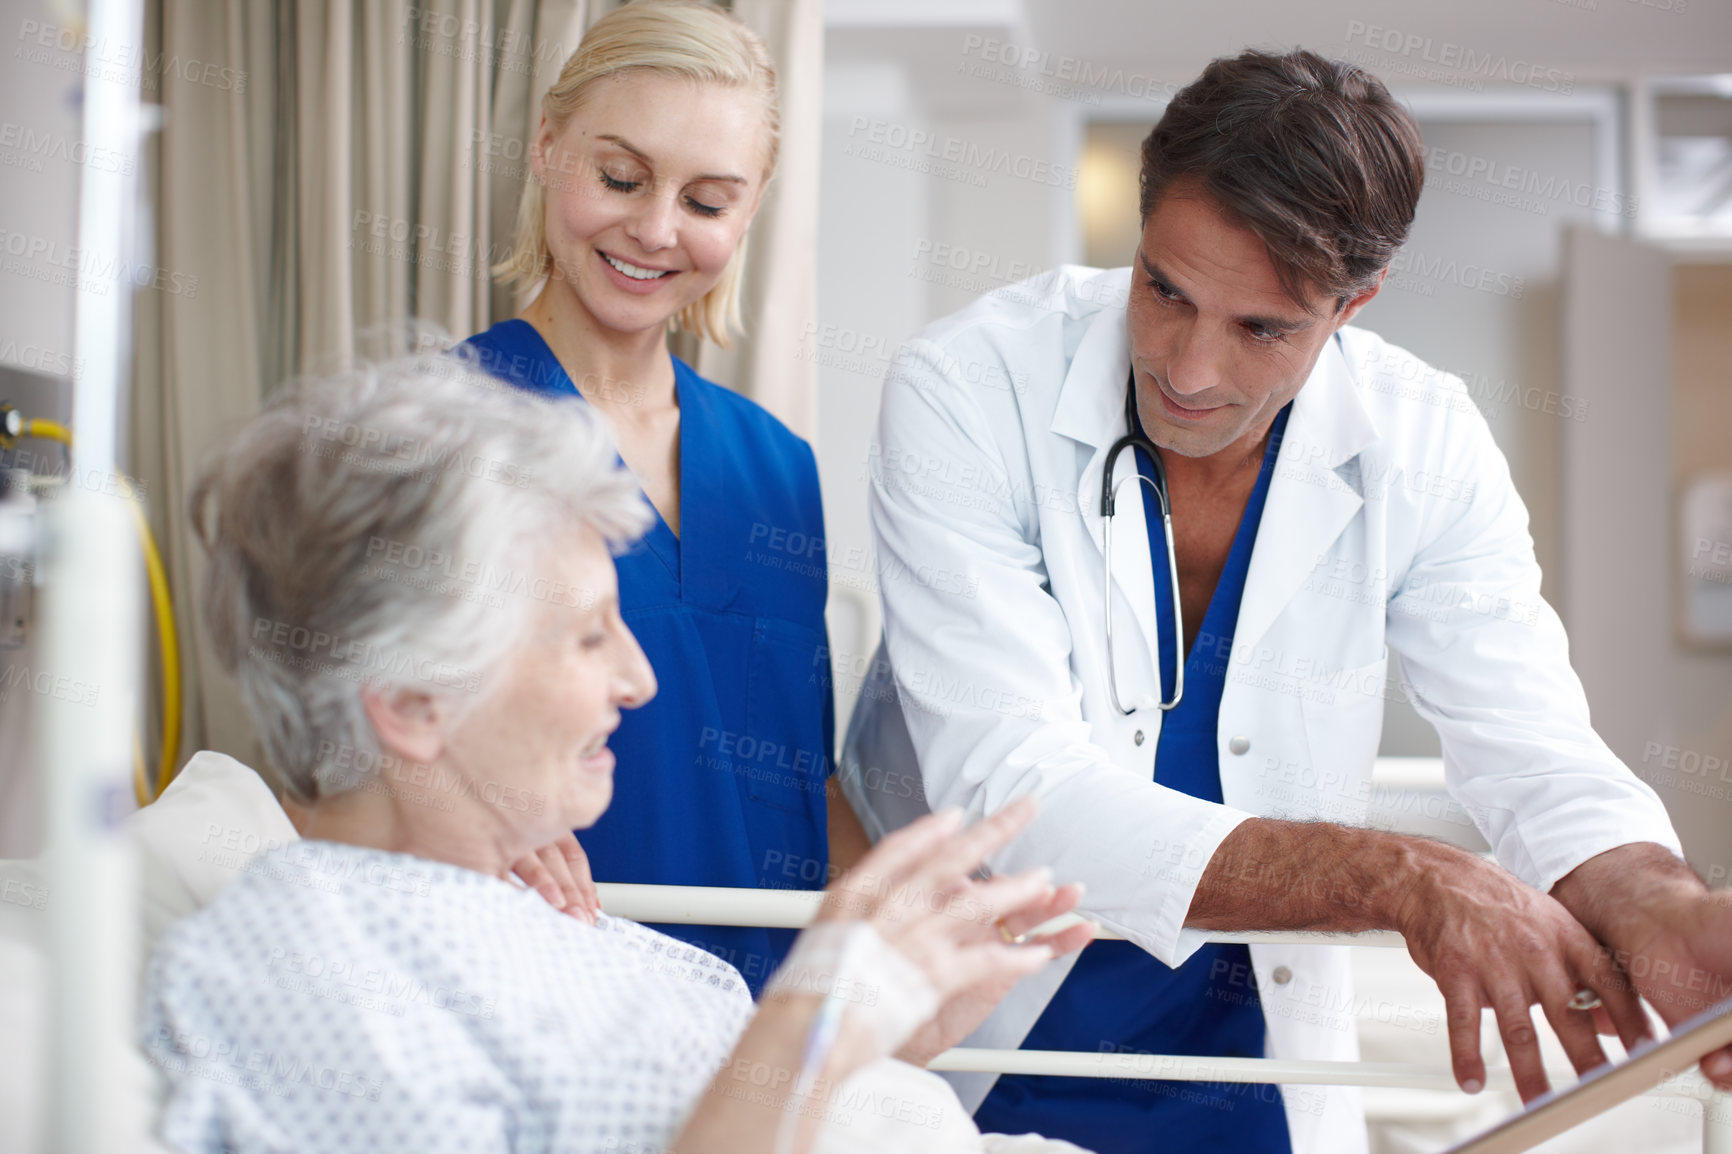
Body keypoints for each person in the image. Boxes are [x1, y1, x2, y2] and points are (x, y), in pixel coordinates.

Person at [842, 48, 1732, 1154]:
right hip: (979, 1051)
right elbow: (1011, 790)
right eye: (1164, 289)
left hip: (1255, 1072)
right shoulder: (969, 388)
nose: (1189, 369)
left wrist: (1659, 903)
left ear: (1354, 303)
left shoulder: (1423, 440)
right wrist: (1399, 876)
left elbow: (1530, 742)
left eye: (1262, 328)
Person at [146, 348, 1096, 1154]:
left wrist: (886, 1048)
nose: (640, 680)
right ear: (412, 703)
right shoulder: (302, 975)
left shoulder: (528, 910)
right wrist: (814, 1017)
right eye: (591, 635)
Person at [461, 0, 865, 993]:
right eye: (621, 177)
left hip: (751, 1026)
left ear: (752, 207)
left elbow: (801, 784)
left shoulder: (778, 467)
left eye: (707, 200)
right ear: (548, 148)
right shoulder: (442, 429)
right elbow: (351, 753)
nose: (654, 229)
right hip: (543, 994)